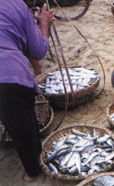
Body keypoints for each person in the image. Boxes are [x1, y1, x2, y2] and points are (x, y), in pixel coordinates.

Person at [0, 0, 54, 182]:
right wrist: (43, 24)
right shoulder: (16, 4)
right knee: (25, 129)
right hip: (8, 75)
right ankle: (32, 172)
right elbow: (38, 51)